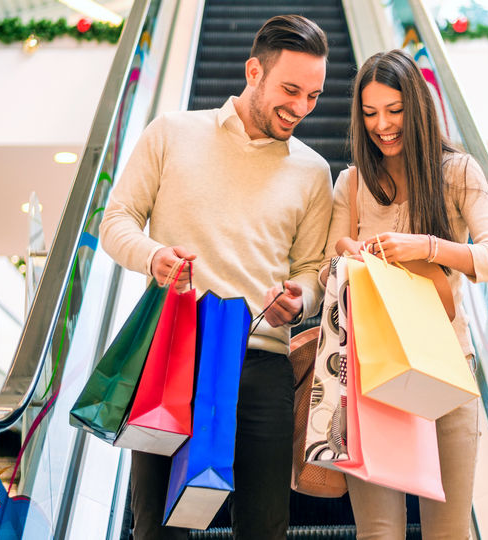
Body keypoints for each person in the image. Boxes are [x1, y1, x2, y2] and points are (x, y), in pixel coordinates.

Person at [98, 15, 333, 540]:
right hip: (173, 356)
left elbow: (312, 270)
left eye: (314, 96)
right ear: (254, 71)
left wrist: (301, 298)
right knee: (157, 526)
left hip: (263, 362)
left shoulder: (314, 171)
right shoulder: (170, 133)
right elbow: (115, 221)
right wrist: (154, 256)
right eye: (290, 90)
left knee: (265, 527)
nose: (301, 108)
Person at [324, 49, 488, 539]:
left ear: (418, 107)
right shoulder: (352, 182)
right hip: (372, 373)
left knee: (449, 532)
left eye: (394, 110)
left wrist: (426, 246)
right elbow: (329, 269)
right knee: (378, 533)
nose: (382, 126)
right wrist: (349, 250)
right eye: (369, 114)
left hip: (446, 364)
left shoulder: (457, 172)